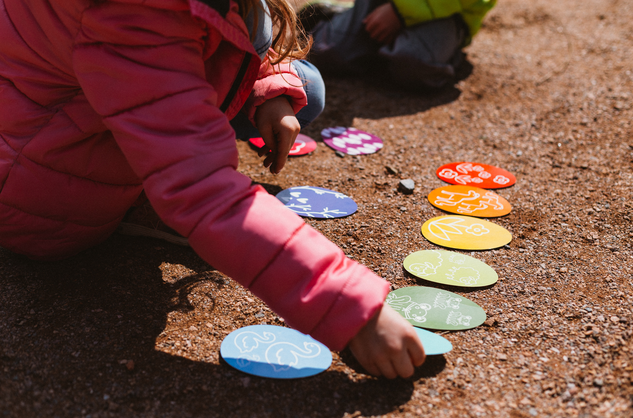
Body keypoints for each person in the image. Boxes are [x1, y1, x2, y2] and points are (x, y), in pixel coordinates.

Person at [0, 0, 425, 378]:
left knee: (303, 86)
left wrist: (270, 88)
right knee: (191, 177)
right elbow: (202, 187)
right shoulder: (128, 17)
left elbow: (242, 21)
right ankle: (137, 199)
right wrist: (352, 312)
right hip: (38, 191)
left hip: (66, 106)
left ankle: (158, 174)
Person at [300, 0, 496, 90]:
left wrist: (401, 10)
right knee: (326, 52)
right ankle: (338, 15)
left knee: (413, 65)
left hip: (448, 11)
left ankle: (446, 52)